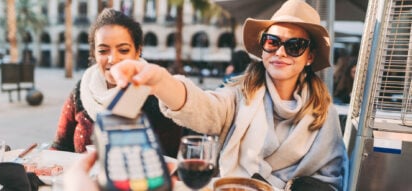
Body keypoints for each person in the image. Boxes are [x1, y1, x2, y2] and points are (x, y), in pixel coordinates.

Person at [109, 0, 346, 190]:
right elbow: (202, 107)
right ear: (263, 47)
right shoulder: (238, 96)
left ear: (310, 57)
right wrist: (160, 80)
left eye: (294, 46)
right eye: (272, 41)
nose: (281, 52)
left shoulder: (326, 115)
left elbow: (330, 181)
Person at [50, 8, 184, 158]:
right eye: (103, 51)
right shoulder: (81, 90)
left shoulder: (157, 95)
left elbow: (170, 159)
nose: (113, 59)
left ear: (138, 51)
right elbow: (60, 146)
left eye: (123, 50)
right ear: (94, 53)